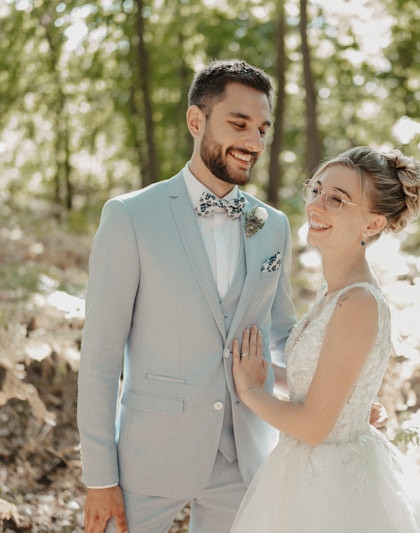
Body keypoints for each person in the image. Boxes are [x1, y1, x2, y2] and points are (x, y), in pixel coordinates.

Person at [76, 59, 298, 533]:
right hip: (147, 457)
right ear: (196, 121)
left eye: (262, 128)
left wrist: (332, 391)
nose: (254, 143)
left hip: (244, 457)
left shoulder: (273, 226)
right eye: (238, 124)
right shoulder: (130, 217)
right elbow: (99, 356)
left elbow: (283, 333)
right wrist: (99, 477)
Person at [229, 146, 420, 532]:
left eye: (337, 200)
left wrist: (252, 392)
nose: (317, 206)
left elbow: (313, 427)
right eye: (318, 190)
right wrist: (249, 366)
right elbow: (319, 384)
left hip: (332, 486)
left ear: (373, 225)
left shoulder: (357, 303)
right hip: (302, 475)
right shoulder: (332, 293)